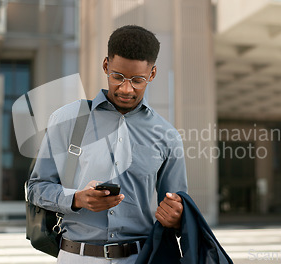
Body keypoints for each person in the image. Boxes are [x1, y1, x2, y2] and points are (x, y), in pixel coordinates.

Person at [27, 25, 188, 264]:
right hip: (76, 256)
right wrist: (77, 199)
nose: (125, 88)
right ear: (106, 66)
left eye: (137, 80)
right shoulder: (67, 119)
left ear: (152, 74)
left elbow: (178, 206)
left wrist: (177, 217)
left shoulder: (167, 135)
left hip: (140, 258)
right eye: (118, 77)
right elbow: (36, 188)